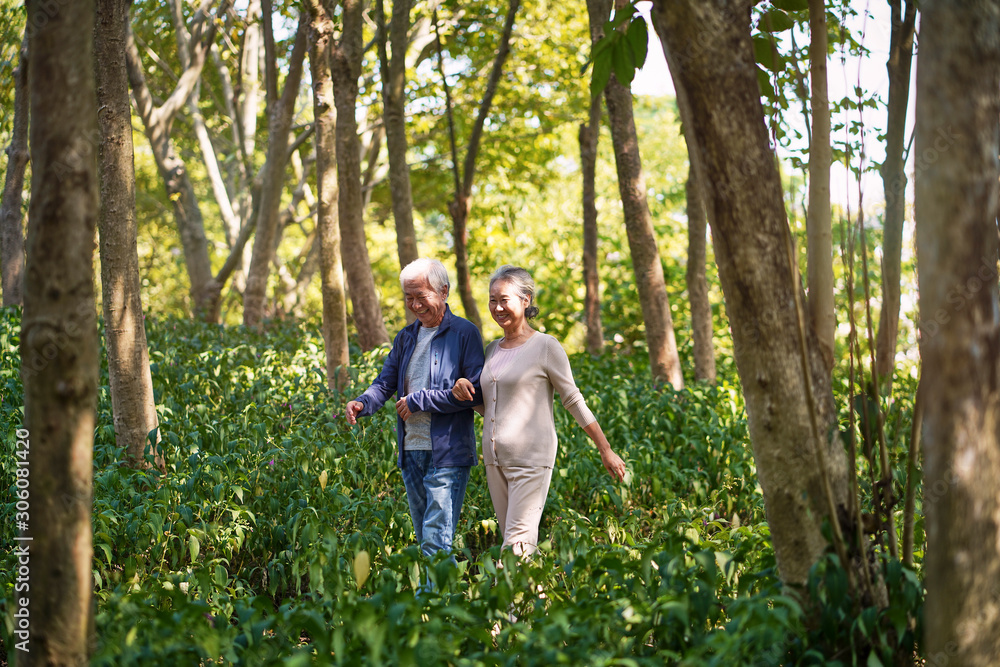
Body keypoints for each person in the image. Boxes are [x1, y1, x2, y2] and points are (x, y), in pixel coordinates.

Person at [452, 265, 626, 556]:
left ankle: (505, 588)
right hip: (495, 461)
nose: (497, 307)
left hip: (531, 460)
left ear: (526, 300)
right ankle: (532, 587)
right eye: (492, 300)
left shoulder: (546, 346)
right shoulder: (492, 349)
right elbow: (492, 407)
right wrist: (464, 392)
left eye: (504, 300)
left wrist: (605, 449)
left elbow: (573, 399)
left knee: (516, 548)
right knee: (517, 544)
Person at [345, 258, 485, 559]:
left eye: (421, 296)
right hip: (411, 452)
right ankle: (440, 590)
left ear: (443, 291)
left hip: (448, 455)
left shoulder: (465, 333)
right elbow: (384, 383)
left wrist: (419, 400)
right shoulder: (406, 337)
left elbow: (474, 393)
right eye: (409, 297)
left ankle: (435, 591)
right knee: (427, 543)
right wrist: (363, 402)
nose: (415, 305)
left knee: (436, 545)